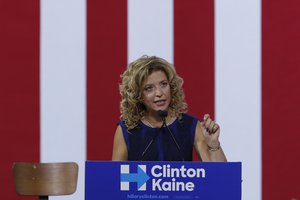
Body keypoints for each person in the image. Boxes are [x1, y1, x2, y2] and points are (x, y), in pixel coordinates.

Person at [112, 55, 227, 162]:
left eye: (163, 84)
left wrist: (213, 145)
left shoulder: (189, 125)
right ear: (138, 95)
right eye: (149, 88)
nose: (159, 93)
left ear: (171, 86)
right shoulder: (126, 130)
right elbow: (114, 178)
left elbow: (220, 177)